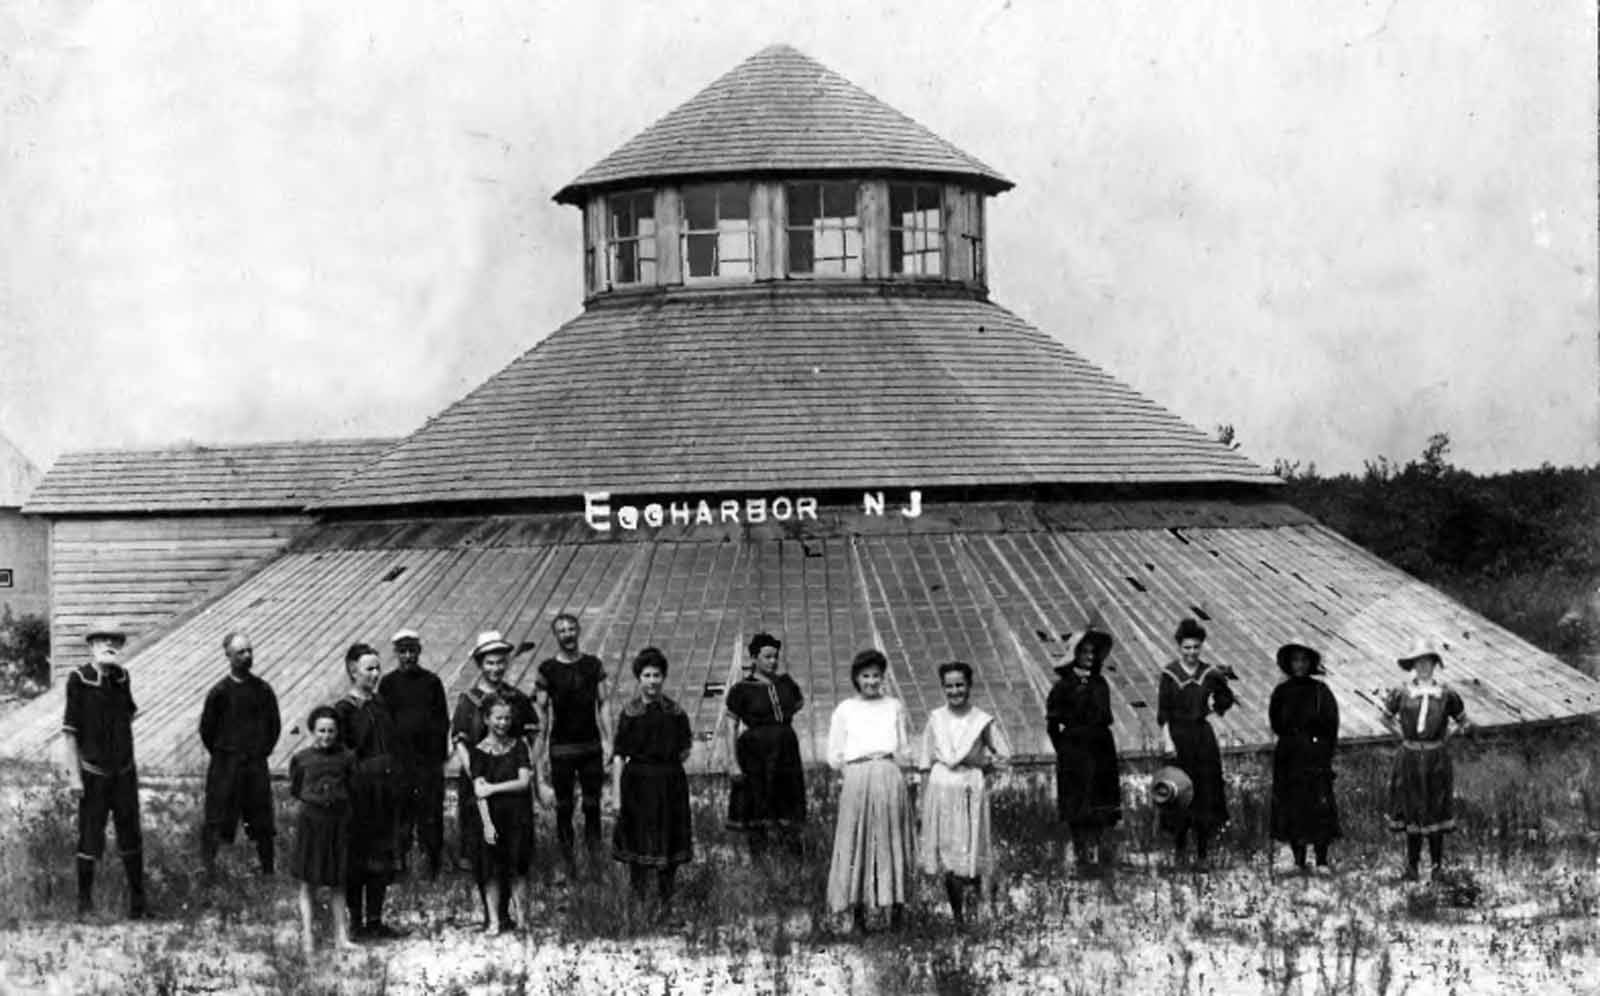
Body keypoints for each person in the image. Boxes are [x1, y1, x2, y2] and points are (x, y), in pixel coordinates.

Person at [61, 618, 146, 918]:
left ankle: (139, 905)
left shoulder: (123, 678)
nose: (109, 646)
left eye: (114, 641)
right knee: (89, 838)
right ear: (91, 646)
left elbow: (129, 717)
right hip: (92, 775)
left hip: (123, 773)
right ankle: (84, 906)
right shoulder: (78, 679)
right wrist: (75, 777)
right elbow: (70, 732)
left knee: (131, 836)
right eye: (102, 641)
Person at [825, 648, 914, 934]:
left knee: (892, 841)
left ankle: (897, 913)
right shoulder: (845, 709)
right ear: (856, 678)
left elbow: (902, 746)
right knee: (857, 842)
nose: (872, 682)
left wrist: (903, 773)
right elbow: (834, 753)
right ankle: (859, 916)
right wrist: (852, 774)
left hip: (889, 774)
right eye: (866, 676)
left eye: (876, 676)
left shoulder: (894, 706)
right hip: (857, 776)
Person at [917, 661, 1011, 927]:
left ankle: (981, 906)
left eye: (960, 685)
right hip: (942, 791)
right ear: (943, 688)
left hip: (970, 787)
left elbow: (1004, 754)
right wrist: (924, 801)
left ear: (969, 686)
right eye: (949, 686)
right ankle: (958, 917)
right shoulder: (936, 719)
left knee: (971, 850)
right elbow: (925, 760)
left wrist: (983, 766)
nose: (955, 691)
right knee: (948, 854)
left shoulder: (981, 720)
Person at [451, 630, 538, 903]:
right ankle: (489, 911)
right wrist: (476, 776)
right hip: (479, 784)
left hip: (511, 784)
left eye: (500, 662)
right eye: (489, 662)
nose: (495, 668)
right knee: (483, 846)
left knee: (513, 848)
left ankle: (513, 909)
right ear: (480, 664)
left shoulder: (518, 699)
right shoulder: (469, 700)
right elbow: (460, 743)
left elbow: (532, 738)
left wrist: (530, 768)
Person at [610, 647, 694, 922]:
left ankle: (666, 907)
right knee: (638, 845)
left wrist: (665, 765)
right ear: (639, 678)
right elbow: (620, 756)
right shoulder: (629, 713)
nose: (652, 681)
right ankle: (639, 907)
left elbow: (684, 750)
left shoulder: (676, 712)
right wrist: (617, 796)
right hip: (637, 784)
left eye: (657, 675)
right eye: (646, 675)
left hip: (670, 783)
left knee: (668, 844)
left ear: (664, 677)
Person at [1382, 638, 1470, 882]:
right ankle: (1411, 867)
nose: (1423, 667)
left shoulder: (1446, 694)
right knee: (1411, 807)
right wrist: (1403, 736)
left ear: (1435, 664)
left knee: (1435, 806)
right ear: (1413, 665)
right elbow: (1385, 718)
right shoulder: (1401, 692)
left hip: (1435, 759)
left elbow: (1464, 721)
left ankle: (1437, 867)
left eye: (1428, 662)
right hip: (1409, 757)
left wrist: (1444, 738)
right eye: (1418, 662)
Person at [334, 643, 405, 940]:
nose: (376, 674)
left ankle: (376, 920)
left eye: (378, 668)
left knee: (381, 856)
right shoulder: (344, 710)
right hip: (359, 794)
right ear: (353, 670)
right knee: (357, 858)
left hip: (385, 792)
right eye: (369, 669)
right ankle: (356, 922)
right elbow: (341, 755)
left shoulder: (380, 704)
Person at [199, 631, 282, 878]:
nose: (247, 657)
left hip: (255, 765)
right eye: (240, 653)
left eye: (249, 651)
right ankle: (209, 870)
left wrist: (258, 752)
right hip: (225, 767)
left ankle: (267, 871)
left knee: (262, 821)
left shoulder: (263, 690)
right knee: (216, 820)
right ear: (228, 656)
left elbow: (273, 726)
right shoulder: (219, 693)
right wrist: (226, 754)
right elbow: (207, 731)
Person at [1156, 618, 1235, 870]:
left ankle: (1202, 855)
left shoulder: (1209, 673)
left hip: (1202, 739)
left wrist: (1216, 705)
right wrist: (1168, 741)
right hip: (1178, 739)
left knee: (1204, 794)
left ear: (1201, 647)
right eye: (1186, 647)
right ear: (1179, 647)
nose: (1191, 653)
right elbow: (1163, 712)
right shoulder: (1169, 674)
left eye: (1196, 647)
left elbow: (1225, 697)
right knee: (1178, 794)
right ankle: (1180, 853)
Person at [535, 613, 612, 873]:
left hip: (590, 746)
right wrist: (543, 749)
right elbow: (542, 713)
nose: (567, 634)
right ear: (555, 636)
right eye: (562, 630)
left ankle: (595, 863)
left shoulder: (593, 665)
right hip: (561, 748)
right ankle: (568, 865)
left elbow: (603, 704)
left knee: (592, 806)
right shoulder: (548, 669)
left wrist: (608, 740)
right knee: (564, 807)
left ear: (578, 631)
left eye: (571, 629)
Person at [722, 632, 807, 861]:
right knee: (757, 807)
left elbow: (797, 705)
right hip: (755, 755)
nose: (772, 661)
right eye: (767, 656)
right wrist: (733, 763)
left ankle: (794, 865)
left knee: (787, 809)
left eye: (775, 657)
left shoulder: (786, 684)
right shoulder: (742, 689)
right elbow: (730, 726)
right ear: (754, 658)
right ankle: (760, 864)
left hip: (785, 754)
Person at [1045, 628, 1122, 875]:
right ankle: (1081, 858)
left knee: (1100, 802)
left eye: (1093, 652)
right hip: (1074, 749)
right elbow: (1052, 725)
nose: (1090, 657)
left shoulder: (1101, 683)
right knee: (1078, 804)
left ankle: (1097, 854)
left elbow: (1105, 716)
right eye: (1085, 652)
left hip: (1101, 746)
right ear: (1074, 655)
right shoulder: (1063, 687)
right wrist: (1065, 749)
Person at [378, 628, 449, 878]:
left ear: (419, 652)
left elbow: (442, 722)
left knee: (430, 814)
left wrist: (439, 758)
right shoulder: (387, 684)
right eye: (403, 651)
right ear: (396, 654)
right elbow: (384, 722)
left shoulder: (431, 682)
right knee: (400, 814)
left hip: (427, 762)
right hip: (399, 762)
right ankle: (400, 863)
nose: (408, 656)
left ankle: (433, 864)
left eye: (412, 651)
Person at [1268, 639, 1341, 875]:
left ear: (1311, 664)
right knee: (1292, 805)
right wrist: (1292, 740)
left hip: (1315, 755)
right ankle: (1298, 859)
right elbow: (1276, 723)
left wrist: (1323, 754)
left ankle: (1321, 860)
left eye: (1303, 660)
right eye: (1295, 661)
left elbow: (1332, 726)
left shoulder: (1321, 691)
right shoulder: (1281, 692)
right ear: (1289, 665)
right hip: (1289, 756)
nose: (1299, 665)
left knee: (1318, 805)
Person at [288, 705, 357, 954]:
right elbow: (296, 789)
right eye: (321, 731)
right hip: (311, 823)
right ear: (312, 731)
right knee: (308, 882)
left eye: (331, 731)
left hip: (338, 822)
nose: (326, 736)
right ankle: (308, 936)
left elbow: (352, 785)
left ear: (337, 732)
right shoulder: (301, 759)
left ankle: (341, 936)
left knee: (338, 882)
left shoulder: (347, 758)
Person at [468, 696, 536, 934]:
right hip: (491, 818)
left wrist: (495, 788)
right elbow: (479, 791)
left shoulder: (518, 746)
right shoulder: (478, 752)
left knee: (518, 868)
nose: (503, 723)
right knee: (491, 871)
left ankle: (523, 919)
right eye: (498, 718)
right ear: (487, 719)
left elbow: (524, 782)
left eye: (507, 718)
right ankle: (495, 920)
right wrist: (487, 825)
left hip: (518, 817)